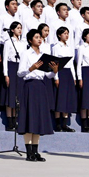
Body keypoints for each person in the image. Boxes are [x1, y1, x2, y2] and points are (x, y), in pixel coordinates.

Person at [16, 29, 59, 162]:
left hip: (41, 86)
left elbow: (47, 75)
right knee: (30, 118)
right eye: (36, 37)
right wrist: (31, 68)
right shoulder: (26, 54)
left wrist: (54, 71)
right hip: (30, 86)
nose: (39, 39)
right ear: (30, 40)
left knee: (38, 118)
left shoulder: (44, 55)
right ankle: (29, 152)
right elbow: (20, 73)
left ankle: (35, 151)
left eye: (40, 37)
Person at [51, 26, 77, 132]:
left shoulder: (69, 47)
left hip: (68, 73)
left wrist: (74, 77)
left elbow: (71, 63)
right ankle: (57, 123)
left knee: (67, 98)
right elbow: (54, 62)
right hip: (60, 72)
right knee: (59, 98)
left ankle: (65, 124)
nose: (66, 35)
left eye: (67, 33)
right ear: (59, 35)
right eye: (64, 33)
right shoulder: (56, 47)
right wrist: (56, 77)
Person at [2, 21, 25, 131]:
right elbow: (5, 59)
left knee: (18, 95)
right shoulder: (8, 42)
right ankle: (9, 122)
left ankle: (16, 120)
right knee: (11, 95)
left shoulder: (23, 43)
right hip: (11, 67)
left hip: (20, 68)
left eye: (21, 28)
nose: (19, 30)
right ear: (12, 30)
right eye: (17, 28)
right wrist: (6, 74)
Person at [75, 28, 89, 133]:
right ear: (85, 36)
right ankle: (84, 124)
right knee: (85, 98)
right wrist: (79, 78)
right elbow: (79, 63)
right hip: (85, 71)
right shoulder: (81, 48)